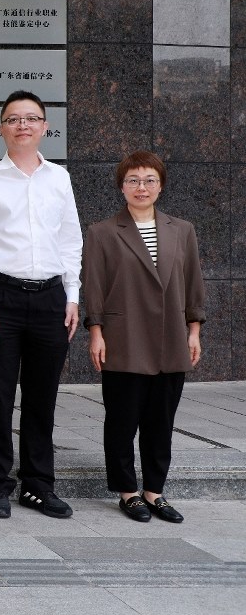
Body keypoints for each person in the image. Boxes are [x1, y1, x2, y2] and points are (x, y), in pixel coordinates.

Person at [0, 90, 82, 519]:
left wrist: (72, 295)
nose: (23, 125)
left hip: (51, 298)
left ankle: (38, 485)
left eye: (31, 118)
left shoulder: (59, 178)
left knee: (42, 396)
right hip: (1, 297)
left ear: (44, 127)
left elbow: (70, 240)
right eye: (13, 119)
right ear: (0, 128)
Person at [83, 151, 205, 524]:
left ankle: (154, 491)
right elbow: (94, 287)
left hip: (171, 338)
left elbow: (192, 283)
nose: (142, 187)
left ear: (161, 185)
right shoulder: (103, 232)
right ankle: (127, 492)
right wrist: (96, 332)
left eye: (150, 180)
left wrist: (194, 330)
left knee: (161, 420)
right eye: (133, 180)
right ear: (121, 186)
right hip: (124, 336)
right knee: (122, 420)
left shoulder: (182, 230)